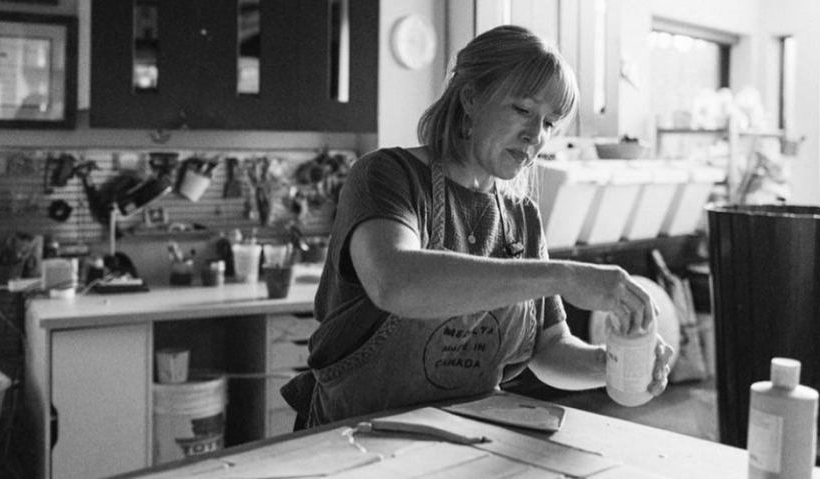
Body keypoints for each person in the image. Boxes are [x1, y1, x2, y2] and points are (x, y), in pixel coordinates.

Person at [282, 24, 674, 428]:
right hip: (354, 443)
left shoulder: (522, 217)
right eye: (523, 110)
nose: (536, 136)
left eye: (550, 123)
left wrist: (612, 362)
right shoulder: (386, 175)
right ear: (471, 97)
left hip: (467, 440)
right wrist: (565, 276)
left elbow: (548, 348)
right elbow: (395, 282)